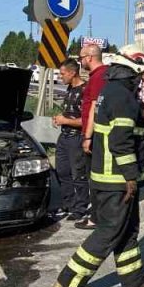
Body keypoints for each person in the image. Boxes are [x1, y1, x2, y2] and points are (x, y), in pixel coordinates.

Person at [52, 63, 144, 287]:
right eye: (141, 74)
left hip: (106, 176)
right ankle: (69, 282)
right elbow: (120, 142)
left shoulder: (108, 91)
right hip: (117, 180)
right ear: (131, 73)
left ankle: (134, 281)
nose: (143, 79)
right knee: (109, 231)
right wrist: (131, 176)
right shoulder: (123, 98)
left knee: (128, 229)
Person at [76, 44, 109, 230]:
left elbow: (95, 108)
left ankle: (96, 217)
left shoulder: (98, 77)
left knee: (94, 178)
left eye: (81, 58)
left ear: (89, 57)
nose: (80, 61)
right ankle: (97, 213)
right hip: (93, 133)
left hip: (94, 134)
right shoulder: (98, 76)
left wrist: (88, 136)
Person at [50, 60, 88, 221]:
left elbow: (86, 120)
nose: (60, 77)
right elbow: (71, 113)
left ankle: (80, 208)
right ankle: (68, 204)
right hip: (64, 137)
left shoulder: (85, 90)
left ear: (72, 73)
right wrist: (60, 119)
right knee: (62, 172)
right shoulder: (70, 88)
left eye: (62, 73)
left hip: (76, 138)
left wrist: (66, 121)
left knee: (78, 175)